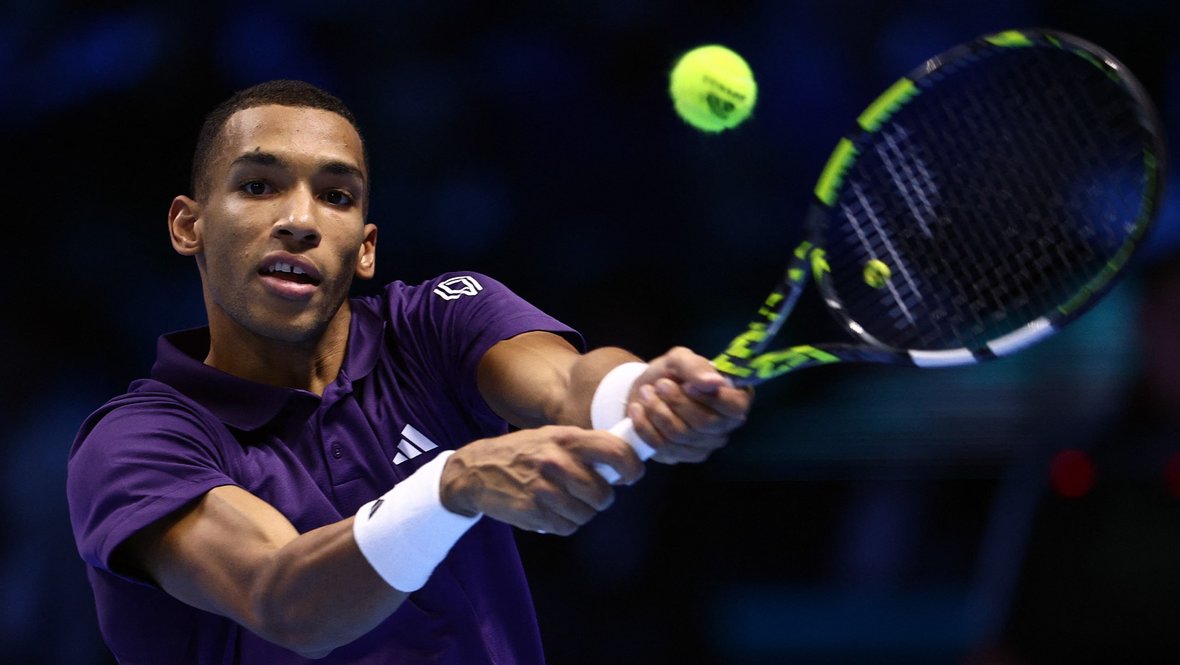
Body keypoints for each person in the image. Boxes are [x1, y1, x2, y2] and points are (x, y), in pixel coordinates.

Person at [66, 79, 752, 664]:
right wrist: (451, 486)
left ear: (365, 249)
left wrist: (639, 395)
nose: (300, 220)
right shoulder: (136, 445)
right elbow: (283, 596)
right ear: (189, 226)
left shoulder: (433, 325)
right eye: (258, 185)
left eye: (336, 196)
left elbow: (569, 384)